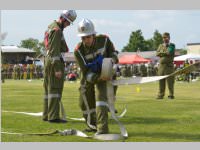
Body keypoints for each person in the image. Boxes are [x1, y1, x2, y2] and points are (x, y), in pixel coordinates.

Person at [74, 19, 118, 135]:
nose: (86, 40)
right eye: (83, 38)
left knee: (101, 100)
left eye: (88, 37)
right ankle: (92, 125)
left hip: (106, 73)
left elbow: (114, 53)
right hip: (90, 75)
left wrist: (111, 61)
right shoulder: (78, 50)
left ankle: (102, 130)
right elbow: (85, 72)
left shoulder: (104, 39)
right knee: (84, 103)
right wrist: (97, 78)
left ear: (93, 34)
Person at [43, 10, 77, 123]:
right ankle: (53, 117)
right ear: (63, 19)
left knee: (48, 89)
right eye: (67, 22)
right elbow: (54, 52)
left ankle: (47, 115)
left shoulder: (51, 27)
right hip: (54, 63)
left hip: (48, 61)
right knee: (55, 89)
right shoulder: (57, 30)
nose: (67, 25)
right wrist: (57, 69)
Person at [156, 32, 175, 99]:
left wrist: (161, 53)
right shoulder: (160, 45)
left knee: (170, 82)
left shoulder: (172, 45)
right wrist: (164, 53)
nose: (164, 39)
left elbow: (169, 52)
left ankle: (171, 94)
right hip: (161, 67)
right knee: (161, 81)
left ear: (169, 38)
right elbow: (157, 53)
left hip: (168, 66)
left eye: (166, 37)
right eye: (163, 37)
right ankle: (160, 95)